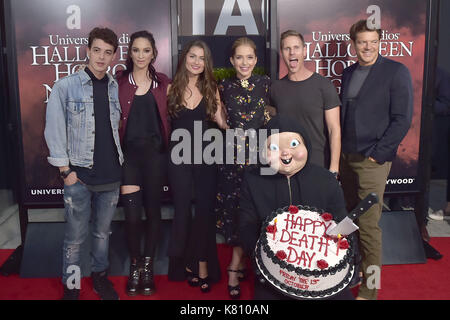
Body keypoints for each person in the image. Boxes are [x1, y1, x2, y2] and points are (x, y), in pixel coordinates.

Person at [237, 115, 354, 300]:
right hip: (272, 275)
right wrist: (265, 257)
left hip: (322, 274)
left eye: (293, 144)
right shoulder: (253, 181)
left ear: (306, 145)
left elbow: (342, 222)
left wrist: (342, 247)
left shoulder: (326, 180)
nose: (285, 153)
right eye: (274, 147)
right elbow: (246, 225)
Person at [44, 27, 123, 300]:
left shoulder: (114, 87)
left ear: (114, 56)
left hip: (111, 177)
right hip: (78, 177)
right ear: (88, 50)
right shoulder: (65, 87)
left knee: (102, 234)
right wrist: (65, 171)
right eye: (97, 50)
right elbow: (53, 130)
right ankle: (72, 285)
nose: (102, 57)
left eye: (108, 52)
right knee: (75, 238)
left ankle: (100, 279)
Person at [339, 19, 413, 300]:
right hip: (347, 157)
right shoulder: (348, 73)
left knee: (369, 225)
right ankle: (355, 271)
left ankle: (371, 289)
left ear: (380, 42)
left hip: (373, 161)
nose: (367, 47)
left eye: (372, 41)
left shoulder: (396, 72)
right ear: (354, 44)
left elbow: (402, 119)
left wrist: (378, 155)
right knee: (349, 219)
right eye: (362, 42)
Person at [166, 40, 228, 293]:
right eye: (192, 56)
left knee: (204, 211)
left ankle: (203, 264)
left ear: (206, 63)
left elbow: (222, 124)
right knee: (182, 212)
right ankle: (183, 265)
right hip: (178, 157)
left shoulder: (211, 87)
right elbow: (165, 125)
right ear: (185, 58)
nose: (196, 62)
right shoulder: (171, 88)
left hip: (207, 155)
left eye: (201, 58)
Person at [214, 37, 271, 299]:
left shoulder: (266, 83)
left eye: (249, 57)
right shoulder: (222, 86)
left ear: (256, 60)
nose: (244, 62)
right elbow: (219, 120)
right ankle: (235, 267)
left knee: (260, 213)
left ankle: (259, 265)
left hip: (261, 161)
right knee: (237, 214)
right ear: (231, 60)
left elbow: (273, 114)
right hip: (233, 162)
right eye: (239, 57)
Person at [116, 31, 171, 296]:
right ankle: (135, 265)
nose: (140, 55)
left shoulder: (163, 83)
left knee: (153, 214)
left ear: (153, 54)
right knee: (132, 217)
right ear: (130, 53)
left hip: (156, 160)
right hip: (130, 161)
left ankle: (147, 267)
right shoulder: (119, 83)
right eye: (136, 50)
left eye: (145, 50)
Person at [270, 30, 341, 174]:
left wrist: (334, 168)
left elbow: (334, 129)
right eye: (287, 48)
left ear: (304, 51)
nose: (292, 53)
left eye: (296, 48)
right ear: (282, 53)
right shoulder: (275, 89)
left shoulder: (323, 85)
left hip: (318, 164)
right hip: (287, 166)